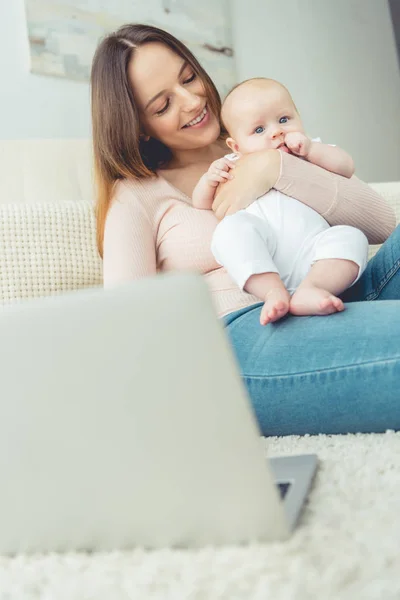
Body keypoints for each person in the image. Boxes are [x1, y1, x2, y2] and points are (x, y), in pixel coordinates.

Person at [91, 23, 400, 437]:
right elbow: (127, 326)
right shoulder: (136, 195)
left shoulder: (258, 137)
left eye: (188, 77)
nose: (192, 100)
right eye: (163, 104)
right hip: (252, 334)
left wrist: (275, 168)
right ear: (140, 124)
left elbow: (382, 223)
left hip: (337, 289)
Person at [192, 77, 369, 325]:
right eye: (259, 130)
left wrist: (311, 150)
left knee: (351, 236)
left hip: (314, 250)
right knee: (230, 231)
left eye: (284, 119)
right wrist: (210, 179)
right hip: (265, 253)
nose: (277, 132)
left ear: (299, 117)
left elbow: (347, 166)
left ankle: (312, 289)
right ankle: (272, 292)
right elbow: (201, 204)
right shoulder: (233, 164)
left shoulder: (309, 150)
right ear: (236, 145)